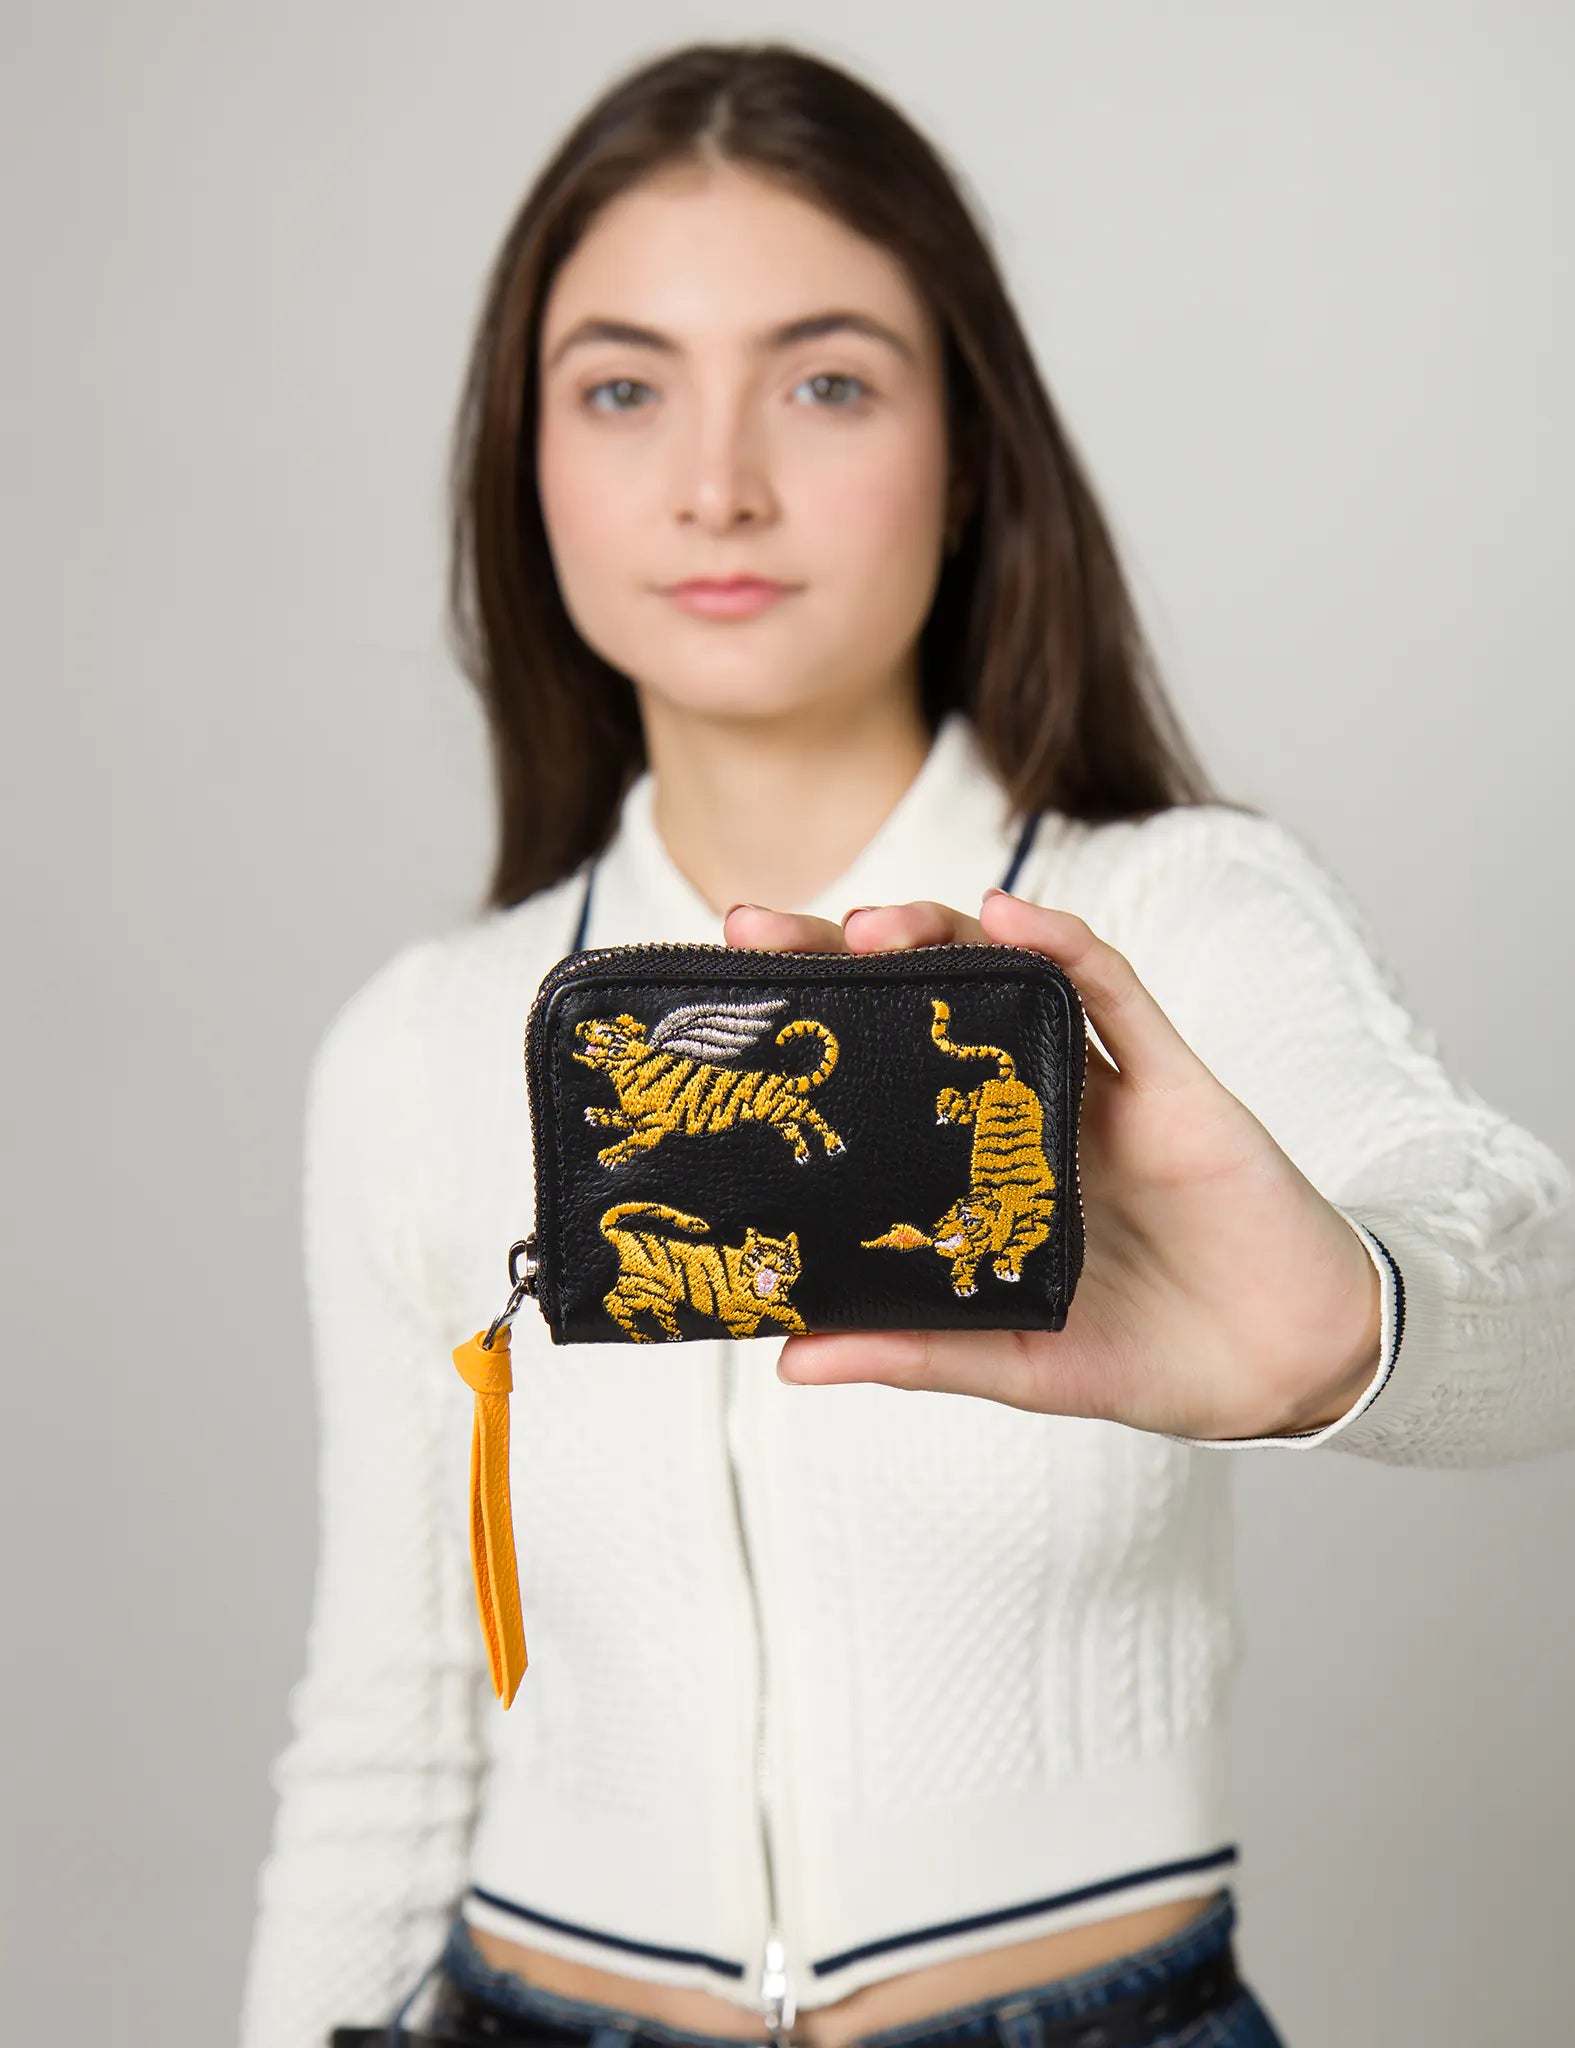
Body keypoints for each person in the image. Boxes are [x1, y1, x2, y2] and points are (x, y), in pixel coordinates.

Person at [237, 37, 1575, 2048]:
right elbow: (385, 1728)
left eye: (826, 377)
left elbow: (1536, 1292)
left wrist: (1344, 1328)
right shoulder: (420, 1046)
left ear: (967, 450)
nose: (716, 481)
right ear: (524, 463)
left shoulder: (1174, 915)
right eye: (620, 387)